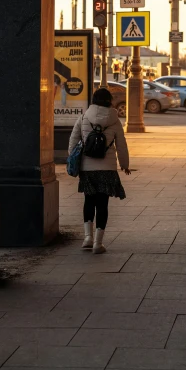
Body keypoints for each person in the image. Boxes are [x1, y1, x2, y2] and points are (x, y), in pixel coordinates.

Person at [68, 87, 130, 254]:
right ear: (109, 100)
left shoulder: (84, 117)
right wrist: (124, 164)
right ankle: (98, 243)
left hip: (87, 169)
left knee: (89, 201)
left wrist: (73, 160)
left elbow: (73, 141)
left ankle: (87, 238)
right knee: (102, 204)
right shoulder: (115, 120)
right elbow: (121, 145)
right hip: (107, 169)